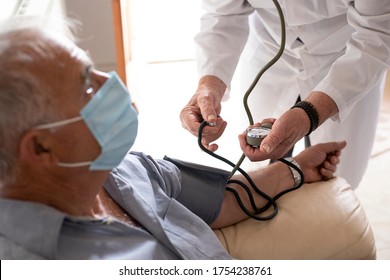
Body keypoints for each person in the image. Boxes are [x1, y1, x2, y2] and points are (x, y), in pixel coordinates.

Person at [0, 16, 346, 260]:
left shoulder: (126, 168)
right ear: (41, 147)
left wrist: (296, 169)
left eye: (92, 69)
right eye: (87, 86)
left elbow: (221, 199)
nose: (114, 83)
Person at [180, 0, 390, 189]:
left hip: (348, 59)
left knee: (336, 177)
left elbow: (377, 34)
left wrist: (310, 114)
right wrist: (208, 86)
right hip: (269, 49)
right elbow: (221, 14)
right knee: (259, 171)